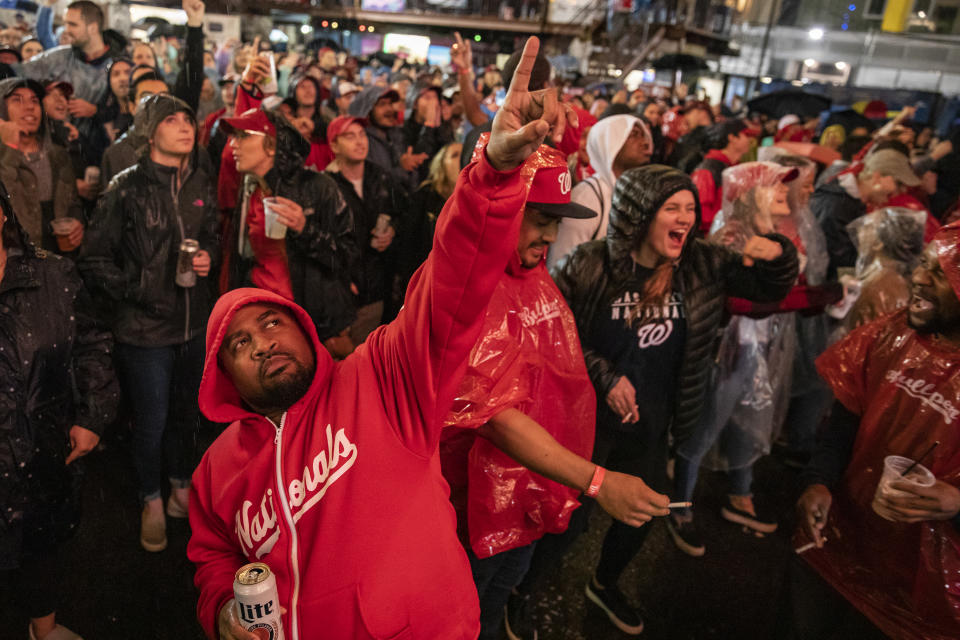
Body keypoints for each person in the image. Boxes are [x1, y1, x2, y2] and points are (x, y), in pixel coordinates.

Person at [186, 35, 576, 640]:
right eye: (238, 343)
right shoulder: (216, 471)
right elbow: (213, 557)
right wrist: (222, 612)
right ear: (223, 378)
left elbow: (449, 286)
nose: (260, 342)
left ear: (304, 330)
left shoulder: (381, 380)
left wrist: (492, 177)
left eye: (270, 322)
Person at [550, 164, 798, 634]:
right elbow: (554, 333)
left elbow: (772, 287)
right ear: (641, 213)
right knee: (569, 520)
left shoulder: (702, 264)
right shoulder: (589, 263)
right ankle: (524, 590)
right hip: (585, 419)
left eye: (690, 208)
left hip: (653, 419)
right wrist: (605, 376)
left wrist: (776, 251)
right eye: (672, 207)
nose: (684, 217)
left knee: (645, 513)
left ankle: (603, 584)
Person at [440, 145, 669, 640]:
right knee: (463, 610)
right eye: (538, 219)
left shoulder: (534, 275)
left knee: (503, 590)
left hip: (530, 486)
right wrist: (597, 482)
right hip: (474, 503)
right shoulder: (468, 289)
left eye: (555, 221)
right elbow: (493, 416)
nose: (550, 234)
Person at [789, 222, 960, 640]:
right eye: (923, 264)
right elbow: (842, 425)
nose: (919, 277)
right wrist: (818, 482)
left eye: (940, 274)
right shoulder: (892, 335)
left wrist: (957, 503)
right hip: (838, 542)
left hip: (921, 591)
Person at [79, 94, 220, 553]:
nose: (185, 126)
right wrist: (143, 291)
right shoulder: (126, 187)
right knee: (152, 420)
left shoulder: (200, 179)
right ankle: (151, 499)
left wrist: (207, 259)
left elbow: (213, 235)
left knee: (187, 413)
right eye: (172, 119)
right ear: (149, 129)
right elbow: (93, 259)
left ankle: (181, 483)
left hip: (192, 324)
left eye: (188, 119)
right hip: (143, 333)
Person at [0, 182, 118, 640]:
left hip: (42, 446)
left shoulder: (53, 275)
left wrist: (91, 417)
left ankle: (43, 628)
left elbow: (91, 344)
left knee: (40, 543)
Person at [671, 161, 801, 554]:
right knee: (703, 432)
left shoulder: (771, 234)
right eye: (773, 184)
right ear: (748, 193)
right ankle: (679, 508)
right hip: (729, 348)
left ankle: (740, 496)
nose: (783, 190)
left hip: (755, 346)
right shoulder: (733, 234)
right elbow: (738, 295)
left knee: (748, 422)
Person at [223, 107, 357, 359]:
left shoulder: (319, 187)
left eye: (243, 136)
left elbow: (346, 255)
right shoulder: (249, 189)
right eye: (233, 137)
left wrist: (304, 229)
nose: (233, 145)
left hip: (312, 321)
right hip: (266, 319)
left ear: (272, 147)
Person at [325, 114, 410, 341]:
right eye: (350, 136)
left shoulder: (381, 177)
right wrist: (339, 280)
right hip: (349, 291)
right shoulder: (326, 186)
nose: (360, 141)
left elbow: (404, 214)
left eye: (362, 135)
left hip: (384, 284)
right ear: (334, 145)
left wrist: (392, 229)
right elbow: (323, 241)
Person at [546, 114, 652, 271]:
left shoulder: (638, 194)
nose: (646, 143)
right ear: (612, 143)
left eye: (644, 136)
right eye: (634, 135)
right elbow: (560, 266)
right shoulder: (586, 198)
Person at [0, 78, 84, 255]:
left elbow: (73, 202)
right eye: (17, 100)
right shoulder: (4, 158)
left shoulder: (58, 154)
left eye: (35, 101)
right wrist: (9, 149)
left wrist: (77, 221)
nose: (30, 107)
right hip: (15, 266)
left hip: (58, 263)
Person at [812, 148, 922, 279]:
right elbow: (838, 261)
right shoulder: (835, 204)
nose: (901, 191)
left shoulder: (850, 200)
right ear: (877, 177)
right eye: (898, 183)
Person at [400, 140, 461, 291]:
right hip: (425, 283)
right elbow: (408, 244)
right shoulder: (425, 196)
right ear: (441, 165)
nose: (461, 160)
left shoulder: (475, 199)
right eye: (454, 155)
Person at [347, 84, 425, 193]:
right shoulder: (362, 141)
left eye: (390, 104)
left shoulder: (397, 135)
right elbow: (373, 182)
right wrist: (402, 168)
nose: (389, 109)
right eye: (382, 104)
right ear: (367, 111)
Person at [691, 119, 754, 234]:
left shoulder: (734, 168)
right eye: (746, 135)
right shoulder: (707, 169)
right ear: (732, 138)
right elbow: (701, 213)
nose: (750, 140)